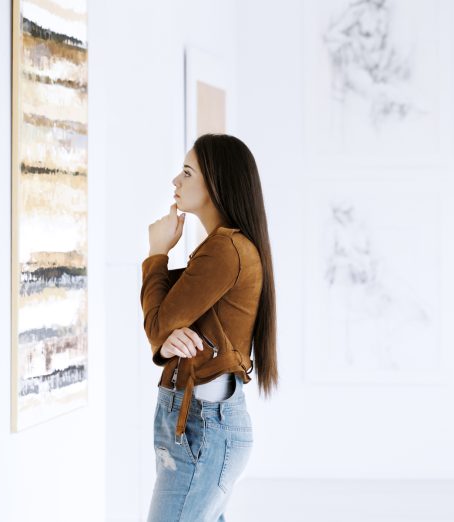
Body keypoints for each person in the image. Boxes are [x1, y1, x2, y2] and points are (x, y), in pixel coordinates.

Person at [140, 133, 278, 521]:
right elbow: (166, 324)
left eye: (186, 173)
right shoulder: (225, 249)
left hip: (203, 429)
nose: (175, 182)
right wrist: (167, 342)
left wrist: (156, 254)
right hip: (202, 425)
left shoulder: (225, 250)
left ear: (216, 182)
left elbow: (157, 323)